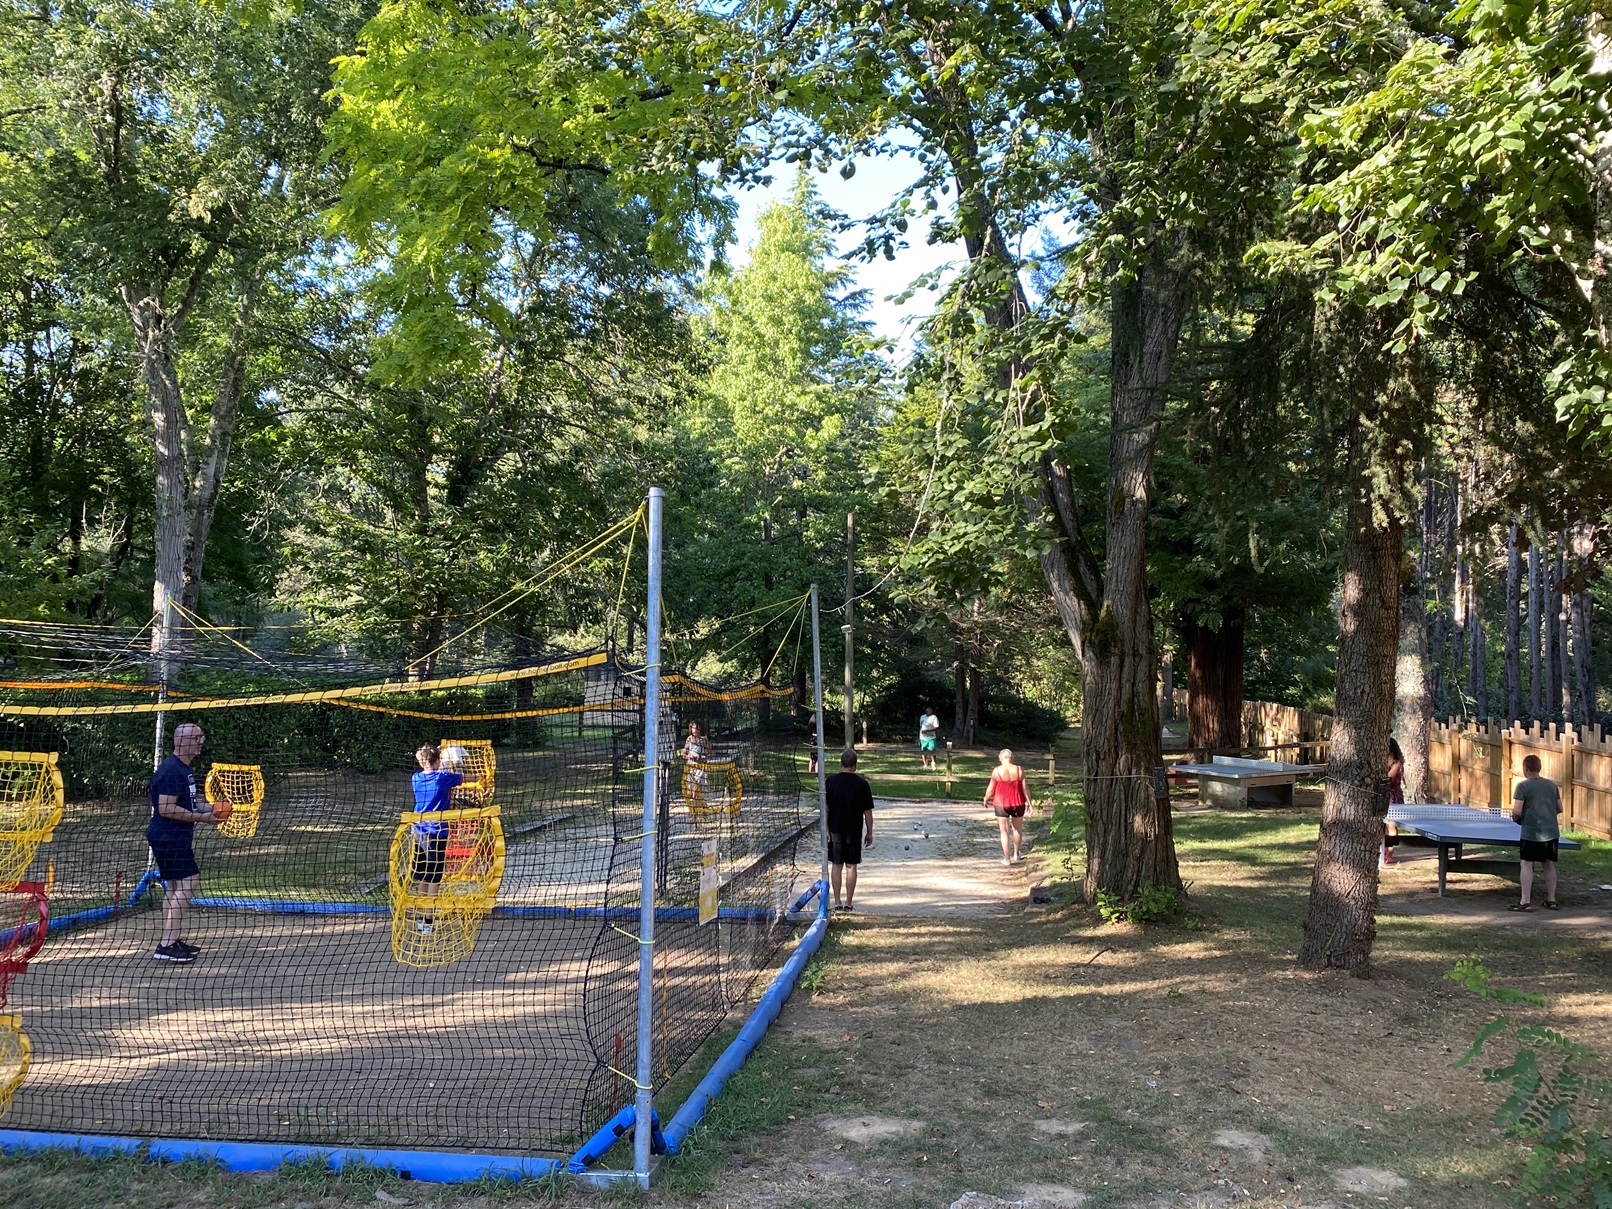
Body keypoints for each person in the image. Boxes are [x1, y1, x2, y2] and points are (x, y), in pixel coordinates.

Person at [147, 722, 226, 963]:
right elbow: (167, 809)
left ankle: (170, 941)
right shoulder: (171, 770)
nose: (200, 742)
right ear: (179, 741)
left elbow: (189, 804)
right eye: (195, 738)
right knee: (188, 884)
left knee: (174, 889)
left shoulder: (184, 769)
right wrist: (204, 818)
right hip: (168, 837)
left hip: (173, 837)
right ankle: (166, 945)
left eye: (201, 737)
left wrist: (214, 809)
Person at [411, 743, 464, 934]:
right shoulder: (443, 777)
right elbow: (467, 778)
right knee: (434, 877)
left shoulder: (415, 778)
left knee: (423, 876)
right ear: (437, 761)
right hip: (436, 833)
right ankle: (429, 920)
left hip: (418, 832)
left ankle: (420, 918)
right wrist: (453, 766)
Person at [1510, 753, 1562, 911]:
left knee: (1526, 864)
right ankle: (1552, 900)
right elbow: (1560, 808)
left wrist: (1516, 817)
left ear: (1525, 768)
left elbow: (1517, 811)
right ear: (1539, 768)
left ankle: (1525, 902)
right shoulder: (1552, 785)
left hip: (1531, 832)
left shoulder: (1523, 786)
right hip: (1551, 832)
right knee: (1548, 864)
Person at [824, 749, 874, 910]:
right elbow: (868, 813)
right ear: (855, 765)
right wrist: (869, 832)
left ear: (841, 764)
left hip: (835, 829)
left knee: (836, 865)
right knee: (851, 866)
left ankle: (837, 902)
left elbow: (825, 809)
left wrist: (825, 829)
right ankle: (849, 903)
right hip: (854, 831)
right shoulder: (862, 784)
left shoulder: (830, 782)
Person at [985, 748, 1033, 867]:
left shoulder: (997, 771)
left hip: (1001, 803)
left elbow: (991, 788)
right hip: (1018, 802)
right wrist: (1030, 803)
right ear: (1011, 758)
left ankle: (1007, 858)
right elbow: (1025, 788)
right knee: (1017, 829)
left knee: (1004, 831)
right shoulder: (1019, 770)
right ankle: (1016, 854)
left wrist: (986, 798)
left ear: (1000, 758)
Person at [1382, 737, 1405, 866]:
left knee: (1392, 826)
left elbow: (1388, 777)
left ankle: (1389, 853)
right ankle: (1385, 849)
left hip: (1394, 797)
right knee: (1384, 826)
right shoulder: (1383, 760)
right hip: (1384, 795)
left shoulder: (1397, 763)